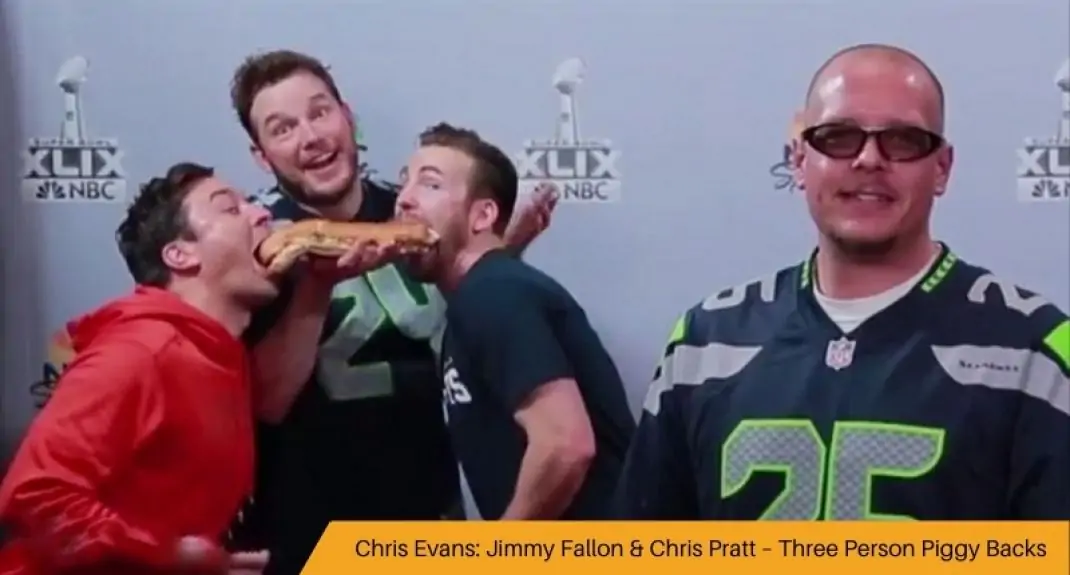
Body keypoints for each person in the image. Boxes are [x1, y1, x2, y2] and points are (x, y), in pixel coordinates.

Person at [614, 43, 1070, 520]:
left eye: (903, 140)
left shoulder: (1030, 350)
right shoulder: (707, 341)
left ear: (941, 168)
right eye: (838, 137)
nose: (869, 159)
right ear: (798, 161)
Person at [226, 51, 556, 571]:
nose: (310, 136)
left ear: (347, 117)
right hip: (315, 537)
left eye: (319, 112)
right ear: (262, 156)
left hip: (433, 519)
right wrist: (316, 287)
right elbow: (266, 403)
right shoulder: (254, 240)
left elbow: (469, 315)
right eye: (283, 128)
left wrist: (505, 249)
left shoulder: (416, 208)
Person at [0, 162, 275, 573]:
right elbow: (33, 497)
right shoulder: (140, 353)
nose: (262, 213)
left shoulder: (221, 354)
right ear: (180, 254)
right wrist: (170, 555)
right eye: (230, 209)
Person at [395, 122, 636, 520]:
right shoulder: (479, 296)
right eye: (403, 183)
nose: (404, 200)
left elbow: (565, 444)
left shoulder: (493, 293)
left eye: (430, 184)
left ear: (483, 215)